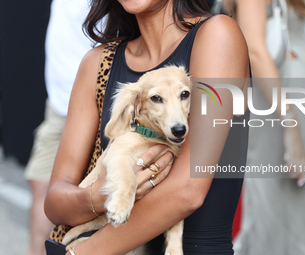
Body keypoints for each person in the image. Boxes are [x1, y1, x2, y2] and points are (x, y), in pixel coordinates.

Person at [44, 0, 251, 254]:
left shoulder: (218, 35)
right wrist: (100, 195)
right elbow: (55, 203)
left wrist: (83, 253)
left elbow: (187, 191)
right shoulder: (98, 64)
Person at [219, 0, 305, 254]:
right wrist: (291, 123)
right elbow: (255, 50)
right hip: (278, 111)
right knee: (272, 216)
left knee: (297, 212)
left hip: (294, 107)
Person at [25, 1, 93, 254]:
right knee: (45, 188)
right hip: (60, 104)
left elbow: (191, 193)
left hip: (97, 106)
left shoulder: (216, 32)